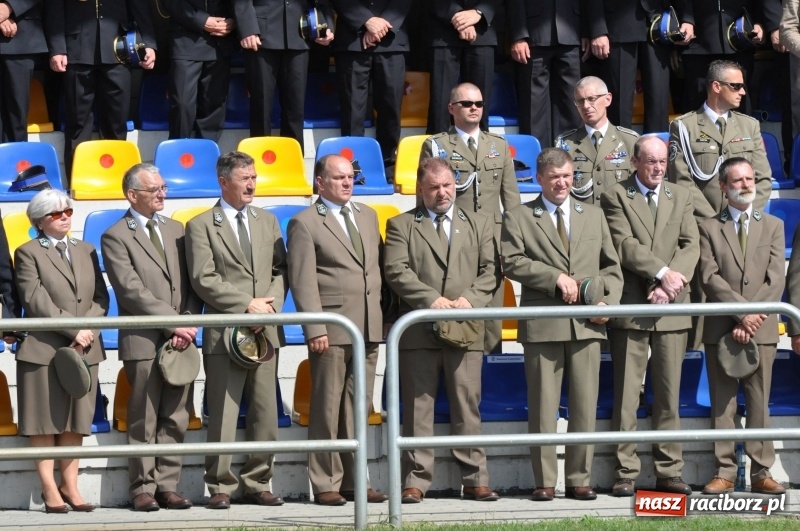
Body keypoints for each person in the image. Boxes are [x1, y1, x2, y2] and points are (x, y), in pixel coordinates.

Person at [501, 147, 622, 502]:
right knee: (543, 407)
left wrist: (608, 304)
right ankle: (545, 481)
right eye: (554, 177)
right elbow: (511, 262)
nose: (562, 183)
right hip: (543, 325)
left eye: (567, 176)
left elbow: (612, 268)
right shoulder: (519, 217)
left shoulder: (594, 215)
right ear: (539, 179)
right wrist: (553, 277)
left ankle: (579, 479)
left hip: (587, 325)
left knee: (585, 405)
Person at [384, 157, 500, 504]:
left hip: (466, 327)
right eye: (434, 187)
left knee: (468, 406)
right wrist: (430, 299)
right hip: (419, 330)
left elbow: (491, 270)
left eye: (447, 185)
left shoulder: (480, 222)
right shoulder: (400, 225)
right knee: (419, 408)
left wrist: (470, 299)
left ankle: (476, 479)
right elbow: (396, 270)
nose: (442, 193)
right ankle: (416, 481)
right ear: (420, 189)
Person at [185, 151, 287, 509]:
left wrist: (269, 306)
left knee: (265, 411)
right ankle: (221, 486)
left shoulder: (268, 220)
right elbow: (203, 279)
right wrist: (247, 304)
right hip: (226, 332)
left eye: (254, 176)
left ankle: (259, 481)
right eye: (244, 178)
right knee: (225, 413)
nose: (252, 184)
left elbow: (280, 270)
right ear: (223, 182)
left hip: (265, 329)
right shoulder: (200, 225)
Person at [287, 154, 389, 506]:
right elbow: (302, 282)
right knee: (327, 409)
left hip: (369, 327)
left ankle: (355, 479)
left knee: (358, 407)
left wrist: (383, 320)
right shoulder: (304, 223)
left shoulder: (368, 215)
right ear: (320, 182)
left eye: (351, 177)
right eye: (339, 177)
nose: (348, 183)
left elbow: (376, 274)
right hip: (331, 328)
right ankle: (325, 482)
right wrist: (315, 327)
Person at [599, 136, 699, 497]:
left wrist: (670, 286)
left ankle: (669, 471)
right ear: (635, 163)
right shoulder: (615, 195)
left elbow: (692, 245)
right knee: (627, 394)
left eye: (662, 162)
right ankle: (625, 471)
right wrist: (661, 273)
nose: (658, 168)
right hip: (634, 307)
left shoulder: (681, 195)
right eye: (651, 161)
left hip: (671, 306)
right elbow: (624, 245)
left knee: (669, 394)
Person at [101, 163, 202, 512]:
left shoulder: (177, 229)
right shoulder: (115, 235)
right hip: (144, 340)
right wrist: (174, 324)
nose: (163, 193)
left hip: (181, 337)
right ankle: (142, 488)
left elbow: (192, 284)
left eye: (164, 187)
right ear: (133, 195)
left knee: (176, 414)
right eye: (154, 189)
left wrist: (186, 322)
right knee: (144, 415)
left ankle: (167, 485)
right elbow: (131, 292)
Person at [14, 189, 109, 513]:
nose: (65, 216)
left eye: (67, 210)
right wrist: (74, 329)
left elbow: (101, 298)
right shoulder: (27, 252)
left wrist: (88, 332)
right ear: (40, 220)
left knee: (75, 421)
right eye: (56, 213)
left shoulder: (86, 249)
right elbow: (35, 299)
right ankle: (49, 489)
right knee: (44, 422)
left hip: (84, 349)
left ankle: (71, 486)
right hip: (43, 351)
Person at [697, 157, 786, 496]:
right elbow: (708, 277)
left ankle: (762, 472)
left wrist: (751, 320)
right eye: (737, 181)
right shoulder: (707, 227)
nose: (746, 185)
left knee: (759, 402)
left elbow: (775, 279)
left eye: (750, 179)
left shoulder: (773, 226)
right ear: (723, 186)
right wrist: (740, 316)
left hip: (761, 329)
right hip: (721, 327)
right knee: (723, 404)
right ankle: (724, 472)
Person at [421, 82, 519, 354]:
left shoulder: (498, 144)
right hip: (453, 241)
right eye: (467, 104)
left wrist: (512, 246)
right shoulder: (436, 145)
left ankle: (490, 389)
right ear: (451, 108)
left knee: (492, 321)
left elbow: (511, 202)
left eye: (479, 103)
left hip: (493, 242)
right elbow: (426, 200)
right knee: (456, 317)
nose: (474, 108)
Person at [45, 0, 157, 176]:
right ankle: (78, 178)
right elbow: (55, 7)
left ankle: (116, 177)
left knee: (116, 121)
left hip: (118, 49)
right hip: (77, 47)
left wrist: (149, 43)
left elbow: (139, 6)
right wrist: (57, 48)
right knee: (78, 123)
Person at [668, 59, 772, 220]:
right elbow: (681, 182)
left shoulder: (749, 125)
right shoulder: (684, 127)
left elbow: (763, 179)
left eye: (742, 86)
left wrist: (742, 214)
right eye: (736, 86)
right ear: (716, 86)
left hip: (743, 221)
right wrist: (715, 221)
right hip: (702, 224)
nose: (743, 92)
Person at [233, 0, 333, 151]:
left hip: (300, 33)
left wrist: (327, 25)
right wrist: (247, 28)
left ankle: (293, 160)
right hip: (260, 36)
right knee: (261, 104)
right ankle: (258, 161)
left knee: (296, 105)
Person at [331, 0, 412, 168]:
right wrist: (365, 21)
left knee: (391, 108)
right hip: (353, 41)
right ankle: (352, 166)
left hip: (392, 41)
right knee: (352, 111)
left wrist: (380, 27)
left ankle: (389, 165)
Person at [586, 0, 689, 132]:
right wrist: (598, 30)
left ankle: (657, 149)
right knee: (619, 102)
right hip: (617, 24)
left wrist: (687, 18)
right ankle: (619, 148)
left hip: (659, 24)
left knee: (659, 98)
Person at [506, 0, 584, 148]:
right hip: (533, 34)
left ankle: (569, 158)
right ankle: (538, 160)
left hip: (572, 32)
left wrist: (588, 31)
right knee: (533, 108)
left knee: (571, 105)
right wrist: (518, 35)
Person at [555, 76, 639, 205]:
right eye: (580, 101)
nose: (586, 106)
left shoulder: (630, 141)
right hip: (583, 220)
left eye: (591, 99)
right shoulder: (566, 144)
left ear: (607, 99)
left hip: (620, 219)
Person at [162, 0, 235, 142]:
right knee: (182, 105)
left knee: (214, 104)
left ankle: (208, 154)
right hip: (185, 40)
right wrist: (202, 20)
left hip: (221, 42)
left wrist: (235, 21)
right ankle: (178, 153)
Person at [425, 1, 499, 134]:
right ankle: (436, 151)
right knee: (441, 105)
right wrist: (457, 16)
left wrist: (479, 12)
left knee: (479, 103)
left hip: (482, 32)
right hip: (443, 32)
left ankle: (480, 150)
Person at [0, 0, 47, 142]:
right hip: (15, 33)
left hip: (20, 37)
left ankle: (15, 162)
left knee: (16, 114)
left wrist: (9, 6)